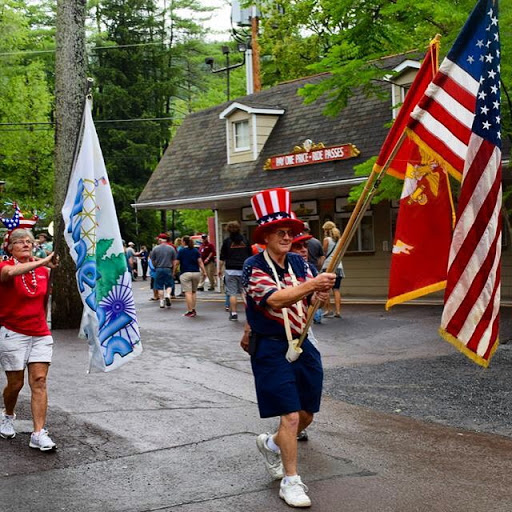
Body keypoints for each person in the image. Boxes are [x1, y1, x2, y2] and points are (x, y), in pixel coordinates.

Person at [241, 188, 335, 508]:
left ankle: (271, 443)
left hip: (302, 342)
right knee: (291, 416)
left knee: (307, 414)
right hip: (270, 346)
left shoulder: (297, 261)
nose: (286, 236)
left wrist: (320, 293)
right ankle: (290, 481)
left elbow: (309, 300)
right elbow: (275, 299)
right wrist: (314, 284)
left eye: (290, 231)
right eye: (280, 231)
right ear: (265, 235)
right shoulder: (254, 266)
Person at [0, 228, 59, 451]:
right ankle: (7, 414)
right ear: (10, 247)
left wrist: (43, 325)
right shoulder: (5, 267)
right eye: (19, 242)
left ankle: (38, 433)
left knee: (39, 380)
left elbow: (43, 301)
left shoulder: (43, 271)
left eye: (29, 241)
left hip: (40, 333)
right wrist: (44, 261)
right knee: (15, 384)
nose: (25, 244)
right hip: (13, 332)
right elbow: (12, 274)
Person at [219, 221, 252, 321]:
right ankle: (250, 313)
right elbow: (250, 255)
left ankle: (233, 313)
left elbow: (222, 257)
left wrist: (219, 269)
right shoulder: (245, 241)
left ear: (228, 230)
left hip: (230, 270)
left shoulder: (227, 242)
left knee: (232, 293)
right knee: (244, 292)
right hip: (243, 269)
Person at [175, 236, 206, 317]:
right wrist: (204, 271)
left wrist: (174, 271)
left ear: (184, 242)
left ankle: (190, 310)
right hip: (196, 273)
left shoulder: (181, 251)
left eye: (182, 241)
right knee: (194, 292)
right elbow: (200, 262)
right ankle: (194, 309)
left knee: (188, 293)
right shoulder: (195, 250)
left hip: (185, 273)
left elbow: (177, 262)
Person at [321, 221, 344, 318]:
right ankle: (338, 311)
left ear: (326, 230)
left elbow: (324, 252)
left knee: (326, 289)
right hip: (338, 266)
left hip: (328, 266)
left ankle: (328, 310)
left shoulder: (327, 240)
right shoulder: (340, 240)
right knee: (336, 289)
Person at [149, 233, 177, 309]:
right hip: (168, 268)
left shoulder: (155, 248)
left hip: (158, 268)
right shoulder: (171, 248)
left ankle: (161, 301)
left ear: (160, 240)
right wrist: (174, 271)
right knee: (169, 284)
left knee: (159, 286)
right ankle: (168, 295)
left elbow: (152, 259)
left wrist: (155, 266)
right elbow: (174, 261)